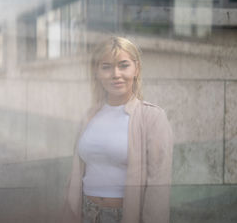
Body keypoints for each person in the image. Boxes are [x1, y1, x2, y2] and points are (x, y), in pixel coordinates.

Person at [62, 36, 173, 223]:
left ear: (136, 69)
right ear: (96, 72)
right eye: (106, 67)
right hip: (86, 213)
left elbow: (158, 188)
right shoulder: (89, 115)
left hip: (123, 216)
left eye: (123, 65)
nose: (115, 74)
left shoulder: (152, 117)